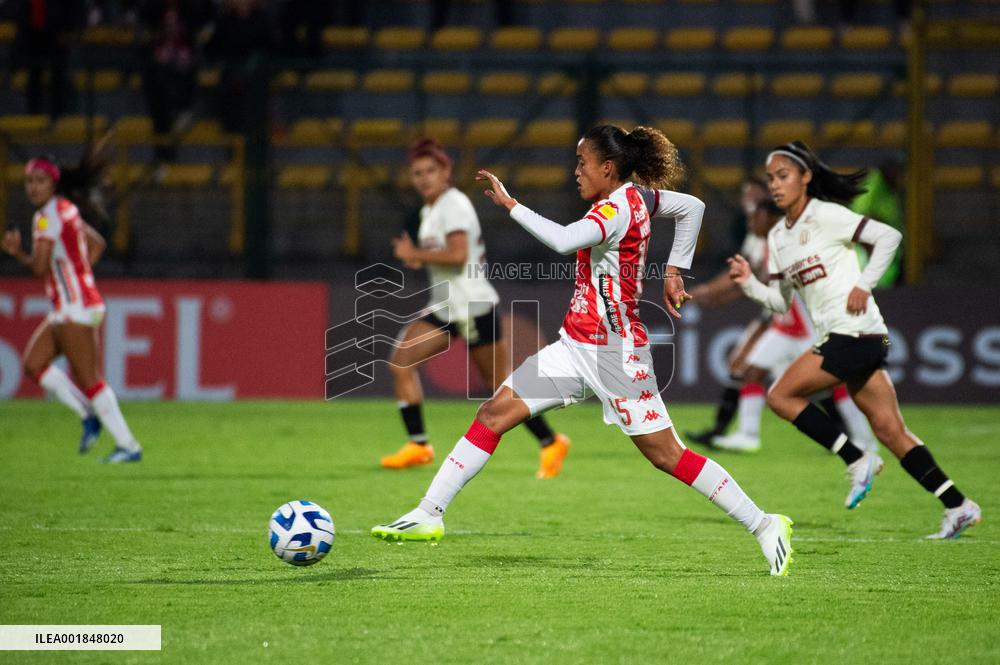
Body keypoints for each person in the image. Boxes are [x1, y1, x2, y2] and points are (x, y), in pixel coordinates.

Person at [373, 125, 794, 577]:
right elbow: (693, 206)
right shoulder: (642, 199)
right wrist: (675, 270)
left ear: (607, 168)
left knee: (667, 455)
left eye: (582, 164)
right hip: (573, 347)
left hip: (616, 355)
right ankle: (429, 513)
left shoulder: (615, 208)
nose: (575, 172)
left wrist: (511, 204)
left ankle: (765, 523)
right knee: (493, 415)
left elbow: (562, 240)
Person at [729, 141, 979, 539]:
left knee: (780, 396)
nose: (775, 185)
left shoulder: (826, 216)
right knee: (891, 431)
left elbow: (889, 237)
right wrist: (749, 284)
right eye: (771, 178)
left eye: (784, 176)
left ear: (806, 177)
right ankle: (958, 504)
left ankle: (855, 458)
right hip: (849, 338)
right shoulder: (778, 238)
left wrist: (865, 284)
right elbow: (779, 302)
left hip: (856, 332)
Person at [383, 138, 571, 479]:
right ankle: (419, 445)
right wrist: (418, 255)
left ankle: (551, 441)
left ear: (446, 172)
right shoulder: (429, 212)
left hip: (472, 304)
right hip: (446, 306)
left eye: (430, 171)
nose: (423, 178)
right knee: (401, 361)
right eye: (417, 173)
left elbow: (456, 256)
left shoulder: (453, 205)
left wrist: (417, 255)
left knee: (500, 389)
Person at [1, 148, 144, 463]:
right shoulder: (67, 209)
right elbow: (96, 244)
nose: (33, 187)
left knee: (90, 379)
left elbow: (39, 267)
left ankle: (128, 445)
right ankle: (87, 416)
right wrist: (78, 275)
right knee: (33, 364)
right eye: (28, 181)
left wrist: (16, 253)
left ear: (53, 183)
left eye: (39, 180)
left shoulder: (45, 217)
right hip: (78, 301)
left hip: (73, 306)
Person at [706, 199, 877, 454]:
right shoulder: (770, 243)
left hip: (806, 327)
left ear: (771, 219)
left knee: (834, 383)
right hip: (784, 327)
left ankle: (865, 440)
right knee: (752, 372)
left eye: (757, 217)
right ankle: (748, 435)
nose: (752, 222)